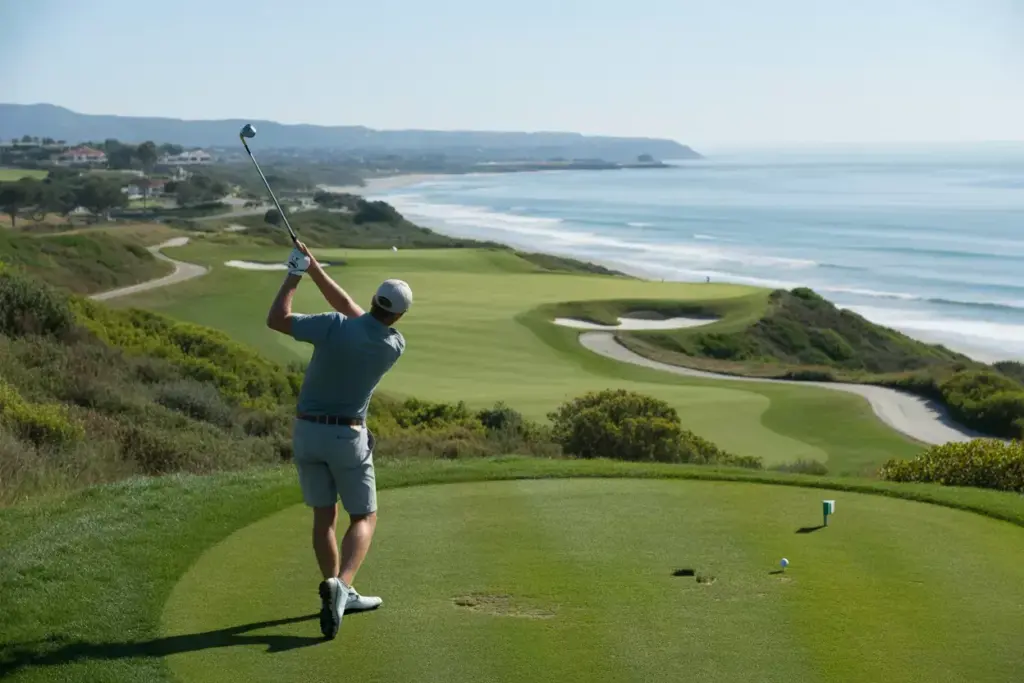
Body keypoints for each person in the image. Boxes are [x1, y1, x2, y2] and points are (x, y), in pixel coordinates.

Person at [265, 241, 412, 640]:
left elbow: (277, 319)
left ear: (373, 300)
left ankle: (335, 591)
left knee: (323, 518)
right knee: (364, 517)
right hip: (347, 436)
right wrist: (312, 268)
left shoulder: (333, 325)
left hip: (307, 432)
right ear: (398, 315)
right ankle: (342, 587)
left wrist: (297, 272)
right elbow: (358, 315)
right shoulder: (392, 345)